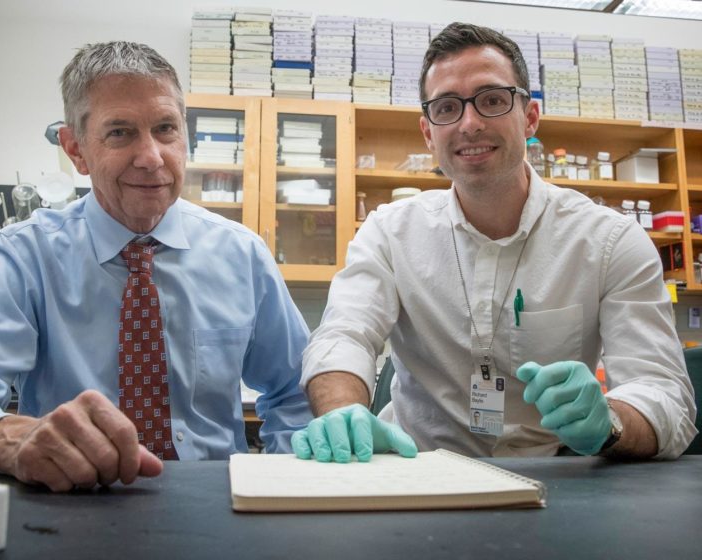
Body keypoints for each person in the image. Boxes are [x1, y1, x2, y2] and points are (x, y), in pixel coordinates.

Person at [291, 22, 697, 463]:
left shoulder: (610, 241)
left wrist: (611, 422)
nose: (470, 123)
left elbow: (665, 396)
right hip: (416, 472)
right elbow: (344, 334)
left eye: (492, 100)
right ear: (428, 133)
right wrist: (344, 411)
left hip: (561, 481)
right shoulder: (389, 232)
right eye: (446, 107)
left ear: (530, 117)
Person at [0, 41, 313, 491]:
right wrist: (10, 439)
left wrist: (284, 486)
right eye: (120, 132)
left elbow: (295, 391)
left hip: (216, 507)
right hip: (74, 504)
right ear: (75, 149)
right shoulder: (24, 258)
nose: (151, 157)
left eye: (165, 128)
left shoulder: (242, 255)